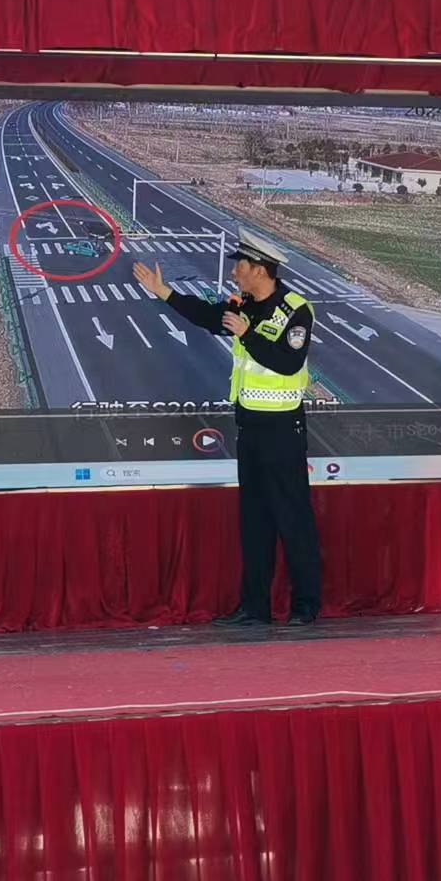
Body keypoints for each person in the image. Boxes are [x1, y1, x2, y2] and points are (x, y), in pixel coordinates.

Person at [133, 230, 321, 625]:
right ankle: (255, 607)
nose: (234, 273)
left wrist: (246, 334)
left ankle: (306, 605)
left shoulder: (295, 310)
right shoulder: (245, 305)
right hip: (249, 425)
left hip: (283, 429)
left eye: (240, 266)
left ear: (260, 270)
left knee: (292, 518)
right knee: (254, 521)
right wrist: (164, 292)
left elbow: (287, 363)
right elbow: (208, 316)